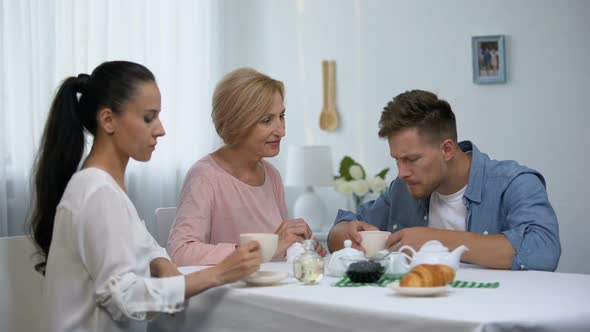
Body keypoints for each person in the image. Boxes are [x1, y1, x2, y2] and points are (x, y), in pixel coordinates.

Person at [29, 61, 262, 332]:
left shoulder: (104, 186)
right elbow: (125, 298)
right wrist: (219, 273)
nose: (160, 129)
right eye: (148, 117)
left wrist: (160, 262)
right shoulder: (97, 192)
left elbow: (142, 242)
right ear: (108, 120)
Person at [327, 90, 561, 271]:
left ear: (447, 149)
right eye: (397, 160)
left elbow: (543, 251)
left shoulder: (514, 183)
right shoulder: (403, 189)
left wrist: (435, 240)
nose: (402, 172)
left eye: (412, 159)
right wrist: (346, 232)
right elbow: (341, 229)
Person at [168, 68, 325, 266]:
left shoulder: (272, 175)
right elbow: (180, 252)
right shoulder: (205, 176)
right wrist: (262, 249)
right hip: (230, 295)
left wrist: (301, 247)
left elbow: (278, 249)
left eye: (281, 116)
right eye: (267, 120)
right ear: (238, 123)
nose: (281, 131)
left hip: (271, 289)